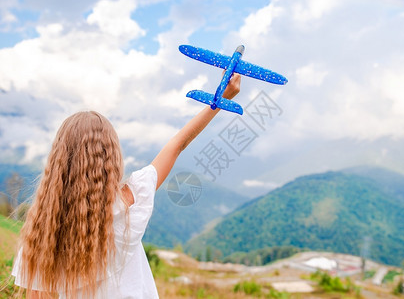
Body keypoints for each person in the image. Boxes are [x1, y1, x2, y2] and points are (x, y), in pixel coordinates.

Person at [12, 74, 241, 298]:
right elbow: (178, 144)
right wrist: (220, 98)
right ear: (112, 157)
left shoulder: (43, 235)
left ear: (58, 161)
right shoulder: (131, 200)